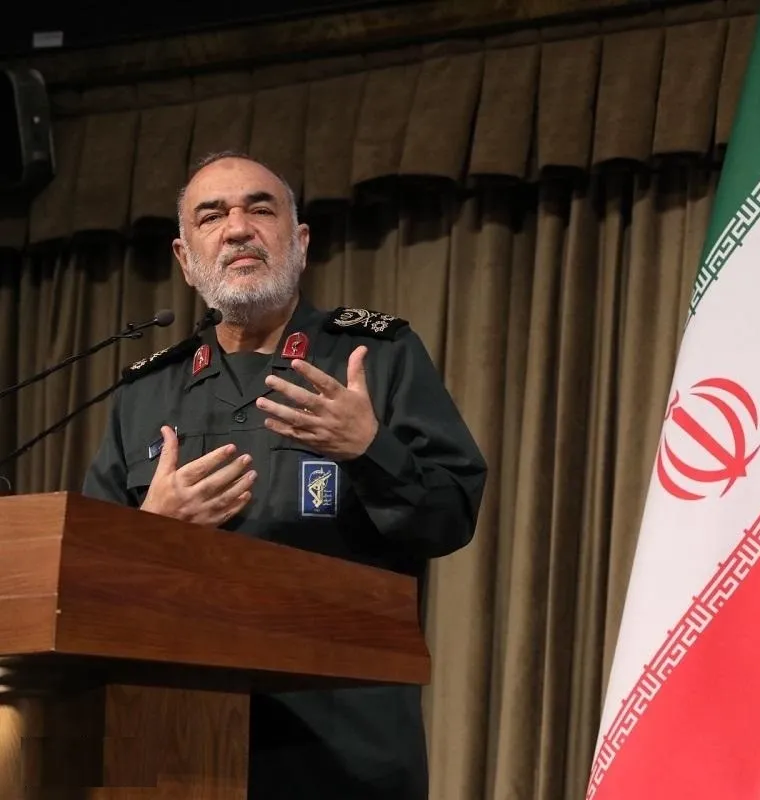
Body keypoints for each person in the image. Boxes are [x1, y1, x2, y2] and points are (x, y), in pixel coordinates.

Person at [81, 151, 487, 799]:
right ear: (185, 258)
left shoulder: (374, 356)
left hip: (344, 746)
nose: (238, 228)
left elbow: (451, 515)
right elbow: (85, 577)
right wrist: (152, 530)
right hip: (176, 738)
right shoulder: (147, 392)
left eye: (260, 209)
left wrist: (368, 448)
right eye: (212, 216)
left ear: (299, 241)